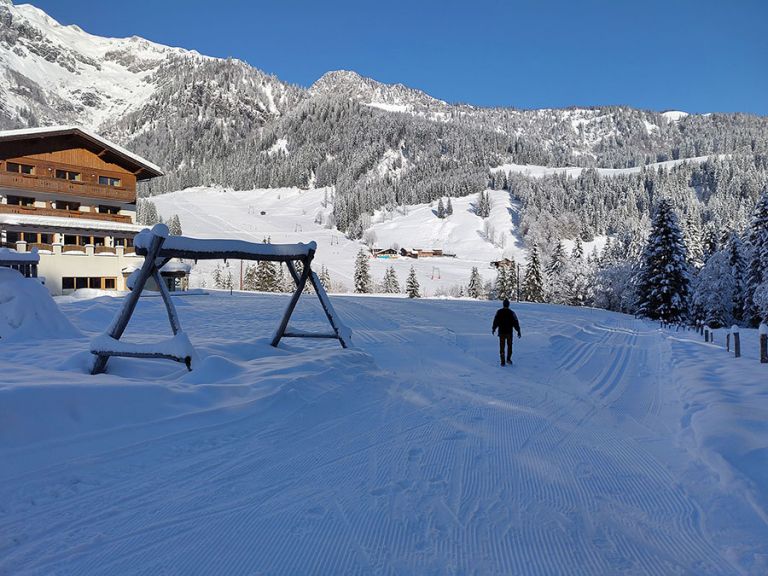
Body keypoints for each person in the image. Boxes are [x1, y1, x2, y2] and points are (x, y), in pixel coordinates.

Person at [492, 298, 521, 366]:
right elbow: (515, 322)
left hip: (501, 332)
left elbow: (495, 321)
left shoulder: (499, 312)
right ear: (508, 305)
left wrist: (494, 328)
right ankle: (508, 359)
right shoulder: (512, 312)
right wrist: (518, 331)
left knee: (502, 346)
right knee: (509, 346)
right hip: (509, 333)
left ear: (503, 304)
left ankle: (502, 361)